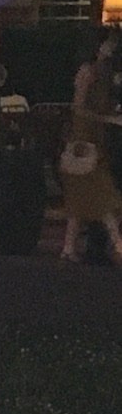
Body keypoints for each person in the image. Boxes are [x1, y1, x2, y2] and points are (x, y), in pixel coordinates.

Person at [57, 30, 122, 264]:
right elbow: (78, 107)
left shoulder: (99, 72)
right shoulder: (89, 72)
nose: (111, 48)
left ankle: (68, 247)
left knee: (81, 192)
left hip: (89, 136)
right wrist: (108, 119)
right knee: (101, 190)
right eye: (108, 44)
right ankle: (117, 243)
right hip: (84, 137)